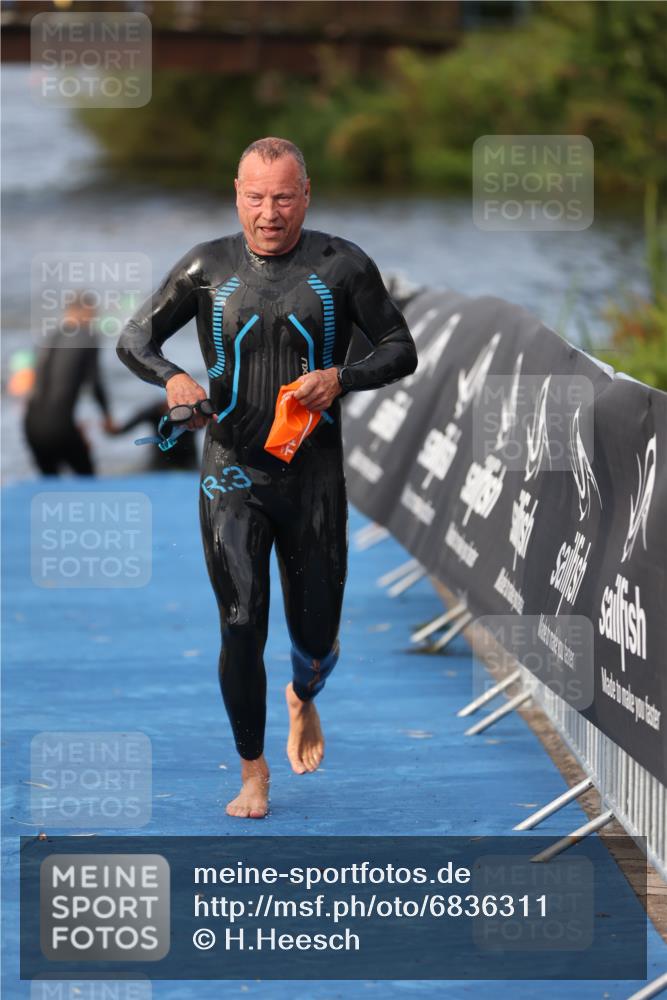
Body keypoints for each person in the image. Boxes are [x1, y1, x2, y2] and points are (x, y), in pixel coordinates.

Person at [117, 137, 418, 818]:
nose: (269, 212)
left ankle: (303, 694)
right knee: (240, 620)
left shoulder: (341, 266)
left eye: (283, 197)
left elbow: (401, 349)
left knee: (315, 638)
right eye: (255, 197)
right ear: (237, 195)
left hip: (314, 479)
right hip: (231, 474)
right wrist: (174, 379)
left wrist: (341, 377)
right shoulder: (206, 267)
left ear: (305, 195)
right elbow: (134, 339)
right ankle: (253, 771)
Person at [24, 294, 113, 476]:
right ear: (85, 311)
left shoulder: (49, 337)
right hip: (60, 425)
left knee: (50, 481)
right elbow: (95, 384)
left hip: (31, 424)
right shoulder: (88, 337)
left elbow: (40, 385)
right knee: (87, 479)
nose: (93, 320)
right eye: (93, 314)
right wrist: (107, 417)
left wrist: (70, 425)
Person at [106, 397, 199, 470]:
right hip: (162, 459)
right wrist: (115, 431)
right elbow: (130, 425)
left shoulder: (190, 413)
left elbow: (205, 423)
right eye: (166, 404)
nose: (168, 409)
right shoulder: (154, 411)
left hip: (188, 458)